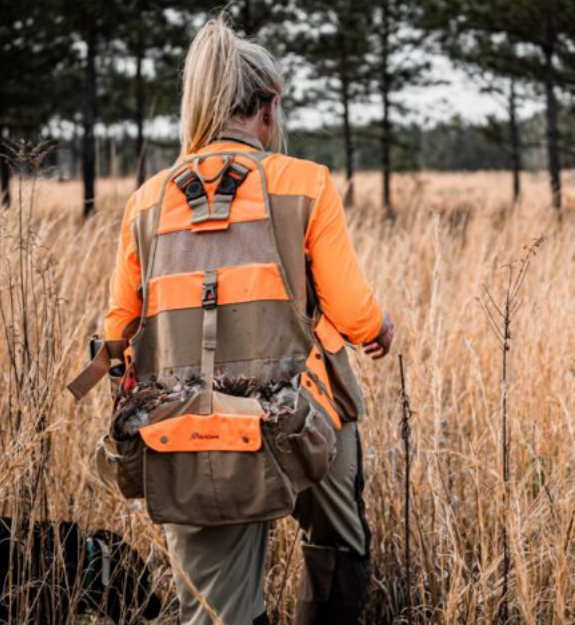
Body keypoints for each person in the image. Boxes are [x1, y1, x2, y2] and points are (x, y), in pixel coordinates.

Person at [102, 14, 394, 625]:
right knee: (338, 532)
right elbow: (357, 315)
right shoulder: (305, 183)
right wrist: (377, 330)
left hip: (188, 435)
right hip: (300, 421)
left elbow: (115, 334)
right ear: (268, 108)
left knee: (215, 613)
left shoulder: (147, 201)